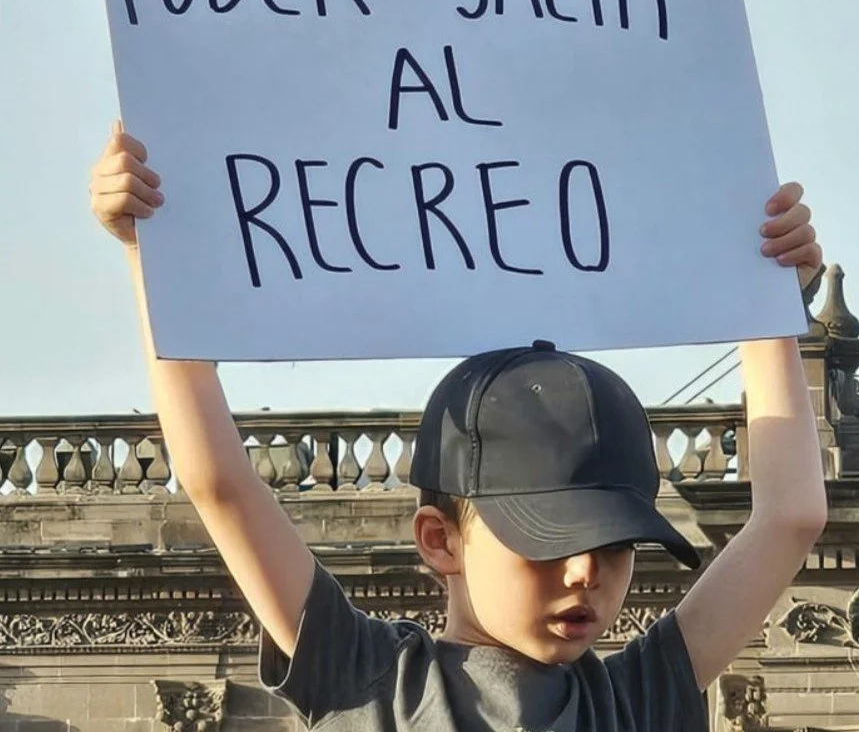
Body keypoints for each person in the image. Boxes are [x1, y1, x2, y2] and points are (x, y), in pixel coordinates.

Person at [90, 123, 827, 731]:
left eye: (614, 542)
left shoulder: (635, 699)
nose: (586, 573)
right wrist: (148, 253)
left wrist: (765, 311)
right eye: (550, 538)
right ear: (440, 539)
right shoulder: (372, 681)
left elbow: (790, 516)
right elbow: (217, 481)